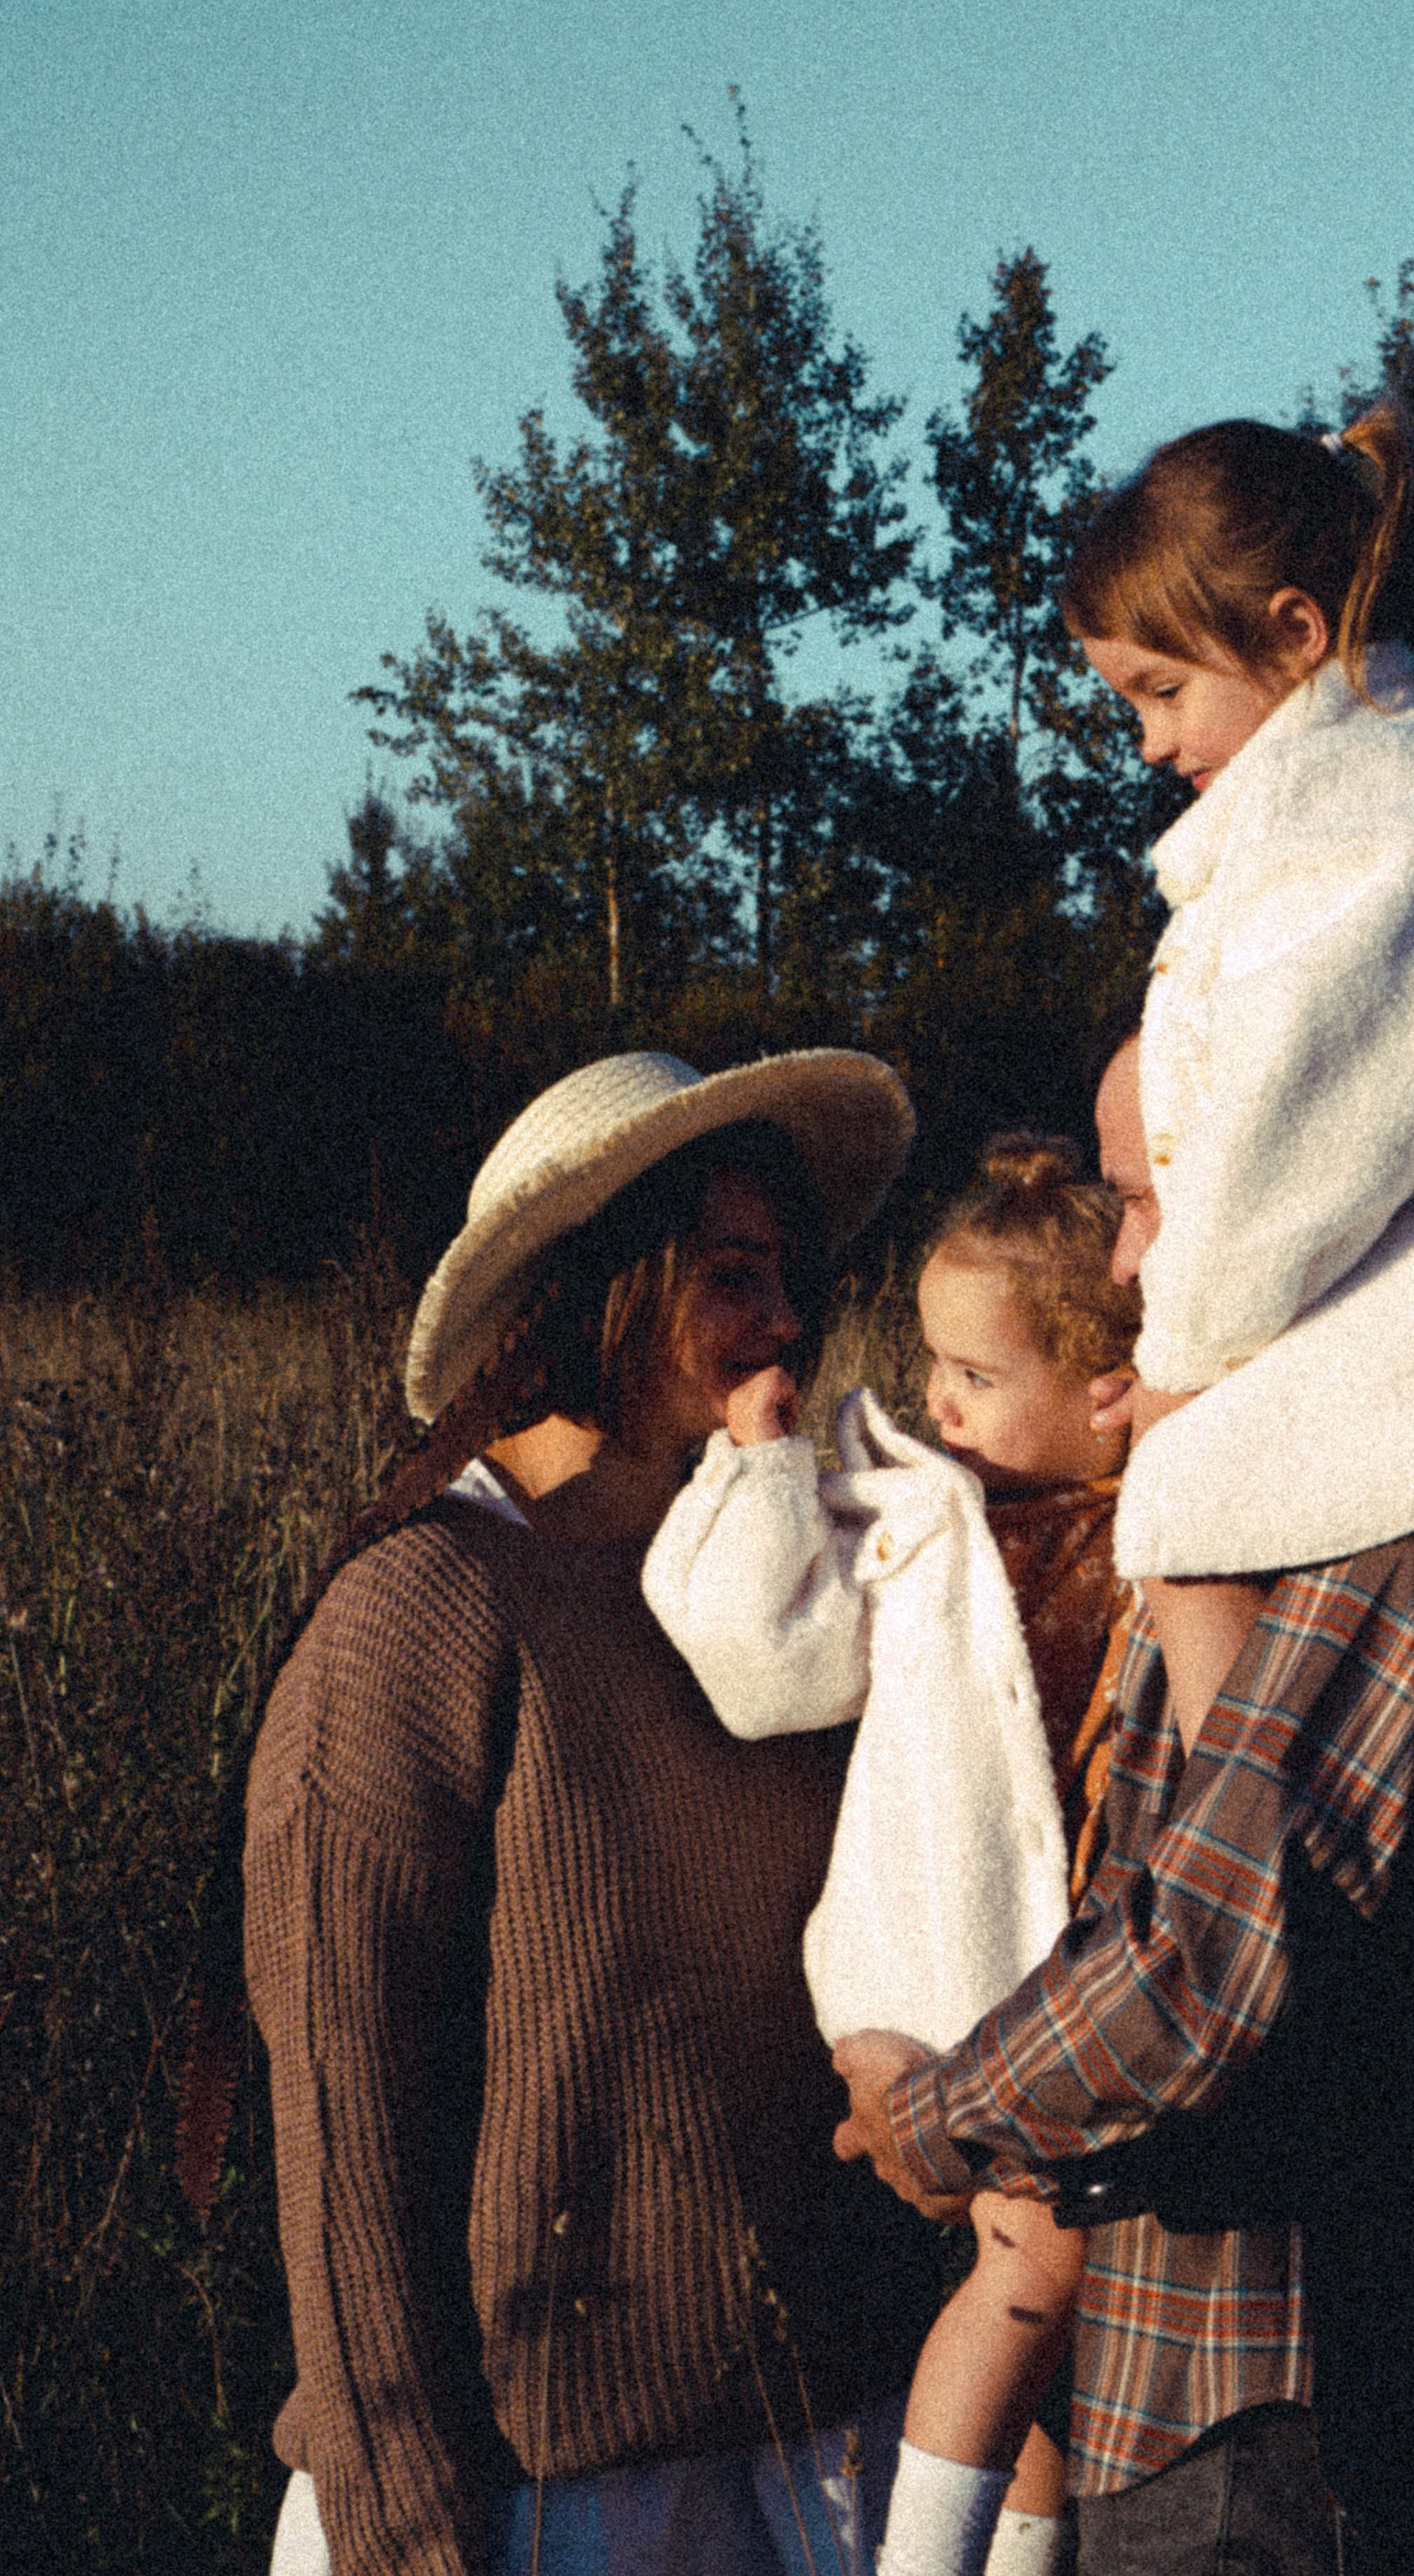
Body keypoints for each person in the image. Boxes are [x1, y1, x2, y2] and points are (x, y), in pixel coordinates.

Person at [832, 406, 1414, 2573]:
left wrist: (936, 2110)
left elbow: (1207, 1958)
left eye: (1164, 697)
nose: (1141, 1241)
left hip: (1286, 2414)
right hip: (1239, 2398)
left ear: (1288, 633)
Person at [245, 1049, 942, 2576]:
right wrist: (410, 2537)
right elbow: (346, 2126)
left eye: (789, 1276)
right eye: (729, 1276)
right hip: (543, 2500)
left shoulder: (792, 1579)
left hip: (822, 2455)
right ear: (605, 1285)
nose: (783, 1324)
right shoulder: (423, 1609)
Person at [643, 1137, 1153, 2576]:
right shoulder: (920, 1510)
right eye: (932, 1363)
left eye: (977, 1377)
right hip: (938, 1967)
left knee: (1080, 2303)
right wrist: (761, 1465)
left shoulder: (1153, 1519)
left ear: (1104, 1399)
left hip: (1069, 1984)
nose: (935, 1398)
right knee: (1032, 2265)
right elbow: (761, 1659)